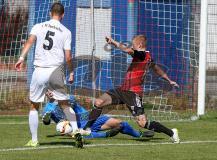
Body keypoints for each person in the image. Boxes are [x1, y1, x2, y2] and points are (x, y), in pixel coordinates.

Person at [82, 35, 180, 143]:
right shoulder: (148, 57)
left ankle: (172, 132)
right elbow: (156, 69)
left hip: (133, 93)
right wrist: (169, 80)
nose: (132, 47)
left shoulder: (142, 55)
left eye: (133, 45)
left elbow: (128, 50)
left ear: (139, 45)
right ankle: (86, 129)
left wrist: (114, 42)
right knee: (99, 102)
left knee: (143, 123)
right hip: (123, 90)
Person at [14, 2, 79, 147]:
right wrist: (72, 72)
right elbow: (68, 57)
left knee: (34, 106)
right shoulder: (66, 31)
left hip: (39, 70)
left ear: (50, 13)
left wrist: (21, 58)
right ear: (62, 15)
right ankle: (76, 131)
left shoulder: (38, 26)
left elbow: (30, 41)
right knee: (64, 104)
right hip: (56, 71)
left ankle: (34, 139)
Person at [42, 95, 154, 140]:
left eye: (52, 90)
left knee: (120, 123)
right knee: (70, 131)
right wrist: (46, 118)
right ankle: (106, 134)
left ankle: (139, 134)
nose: (51, 93)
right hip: (72, 127)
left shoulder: (67, 97)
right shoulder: (47, 108)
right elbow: (46, 123)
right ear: (46, 94)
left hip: (88, 119)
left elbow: (73, 101)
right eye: (48, 91)